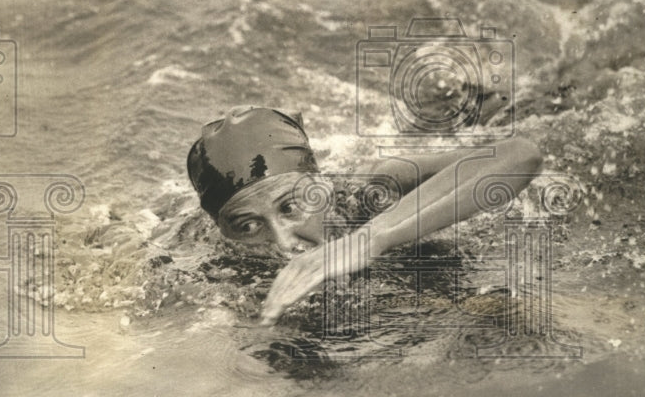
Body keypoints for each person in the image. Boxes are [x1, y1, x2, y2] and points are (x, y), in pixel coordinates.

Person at [187, 106, 542, 325]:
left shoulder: (367, 191)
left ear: (322, 186)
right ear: (221, 229)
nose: (283, 243)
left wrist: (370, 239)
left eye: (290, 207)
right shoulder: (218, 269)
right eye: (248, 226)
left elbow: (520, 154)